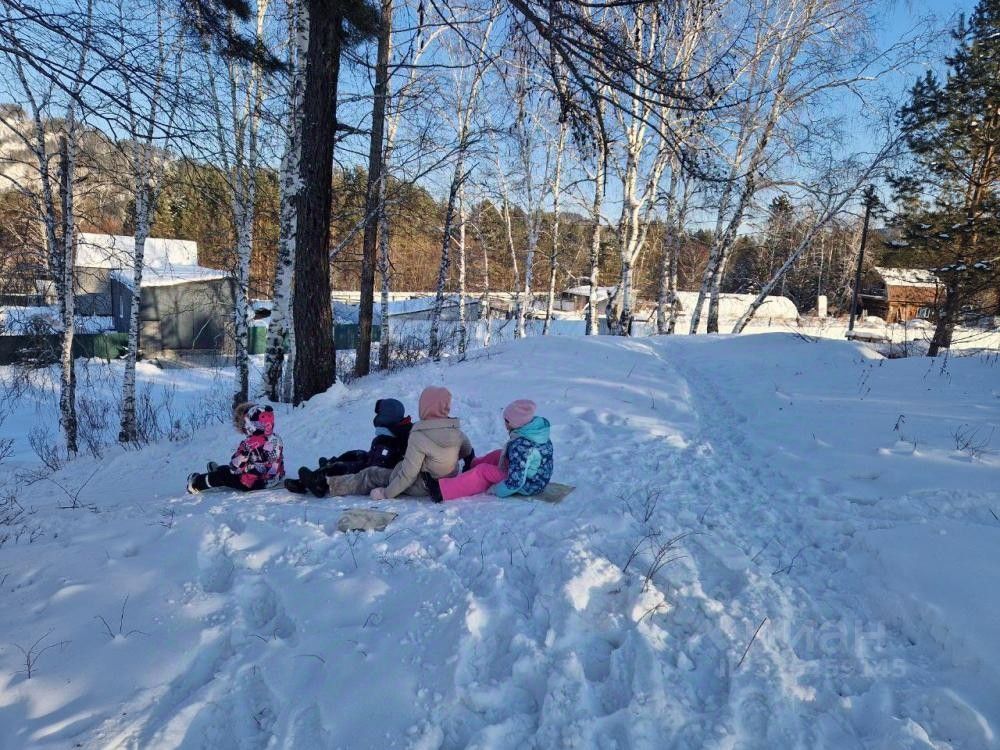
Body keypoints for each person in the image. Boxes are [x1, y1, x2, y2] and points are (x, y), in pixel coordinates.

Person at [320, 386, 473, 499]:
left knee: (371, 474)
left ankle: (326, 485)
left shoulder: (419, 436)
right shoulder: (457, 432)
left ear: (426, 407)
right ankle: (329, 473)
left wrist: (386, 493)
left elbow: (408, 475)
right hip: (446, 481)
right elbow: (468, 452)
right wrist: (454, 464)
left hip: (422, 485)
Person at [424, 399, 553, 501]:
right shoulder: (534, 433)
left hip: (528, 484)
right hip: (534, 476)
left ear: (516, 423)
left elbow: (515, 482)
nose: (504, 423)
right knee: (499, 454)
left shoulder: (522, 447)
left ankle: (441, 491)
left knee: (484, 472)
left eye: (506, 421)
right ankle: (471, 464)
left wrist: (497, 489)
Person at [286, 398, 413, 497]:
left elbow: (379, 466)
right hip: (376, 460)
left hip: (378, 469)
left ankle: (317, 482)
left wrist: (357, 466)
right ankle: (329, 465)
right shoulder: (393, 430)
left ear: (387, 416)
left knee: (344, 467)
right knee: (355, 453)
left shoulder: (393, 438)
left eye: (379, 413)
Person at [187, 403, 285, 493]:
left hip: (252, 483)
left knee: (223, 476)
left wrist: (239, 459)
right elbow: (273, 459)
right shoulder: (276, 438)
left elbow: (234, 468)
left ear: (251, 425)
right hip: (274, 479)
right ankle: (219, 470)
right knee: (225, 469)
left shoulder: (249, 444)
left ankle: (196, 484)